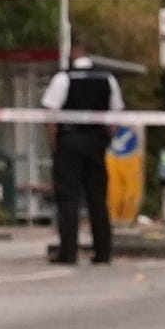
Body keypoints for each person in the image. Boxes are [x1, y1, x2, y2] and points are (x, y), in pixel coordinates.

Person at [43, 49, 126, 264]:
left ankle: (68, 253)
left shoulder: (63, 78)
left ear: (73, 55)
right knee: (97, 199)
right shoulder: (107, 78)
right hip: (96, 142)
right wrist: (105, 140)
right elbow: (115, 115)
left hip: (69, 141)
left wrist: (55, 145)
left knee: (68, 199)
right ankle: (103, 252)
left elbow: (51, 115)